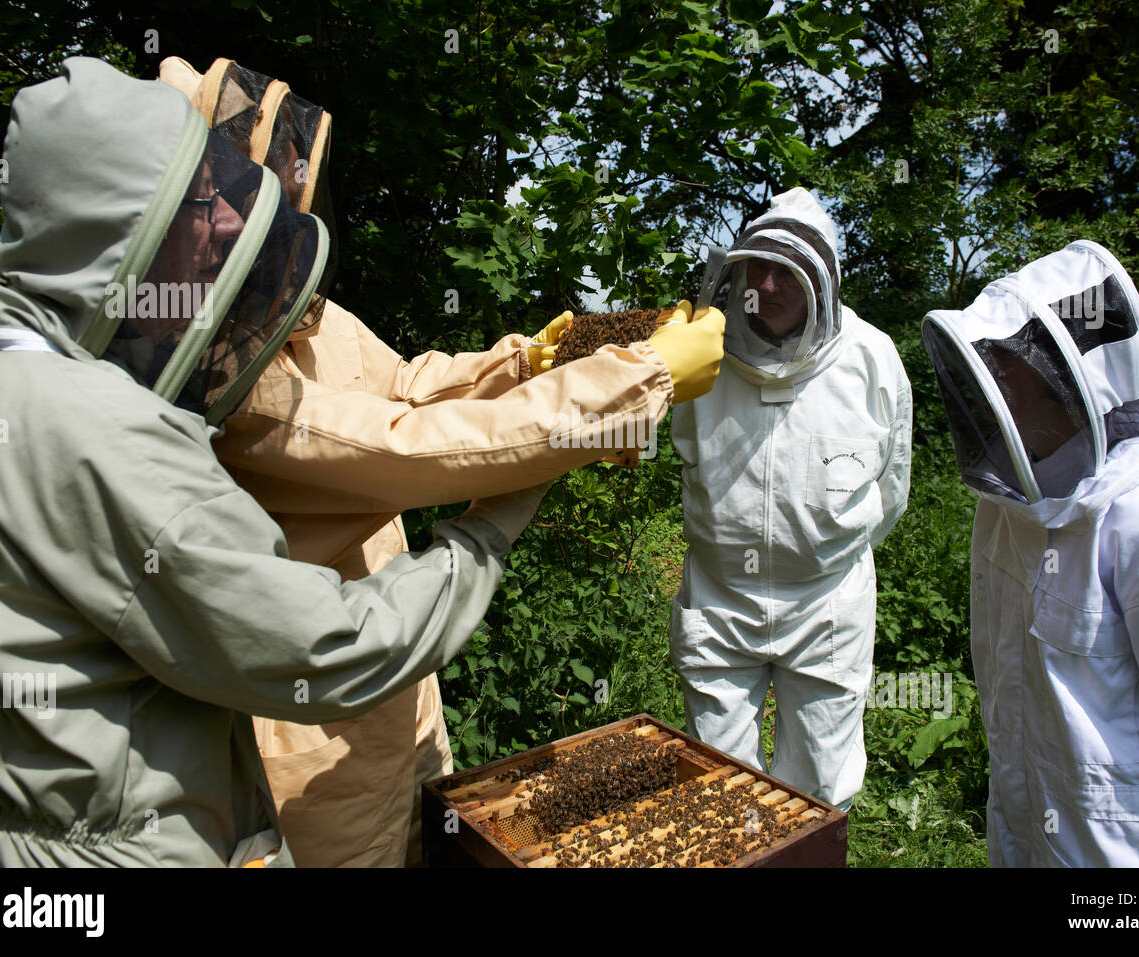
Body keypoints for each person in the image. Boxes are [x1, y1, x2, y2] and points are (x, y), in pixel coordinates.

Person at [0, 56, 551, 867]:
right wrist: (538, 465)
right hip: (227, 795)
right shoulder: (113, 429)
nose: (233, 236)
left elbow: (404, 384)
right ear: (125, 232)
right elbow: (343, 606)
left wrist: (524, 363)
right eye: (207, 211)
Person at [156, 56, 726, 866]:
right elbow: (410, 448)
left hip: (402, 696)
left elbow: (407, 386)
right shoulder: (218, 377)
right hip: (311, 739)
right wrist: (642, 378)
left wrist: (529, 360)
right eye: (263, 179)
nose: (290, 188)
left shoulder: (302, 314)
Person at [921, 239, 1139, 866]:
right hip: (1019, 820)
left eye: (1007, 372)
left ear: (1068, 386)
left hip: (1119, 853)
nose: (995, 389)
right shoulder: (1006, 509)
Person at [669, 187, 912, 810]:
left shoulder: (871, 359)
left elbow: (891, 489)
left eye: (788, 272)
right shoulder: (704, 358)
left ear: (823, 282)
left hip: (825, 604)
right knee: (716, 787)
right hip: (722, 603)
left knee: (821, 790)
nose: (768, 285)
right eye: (759, 268)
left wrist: (820, 554)